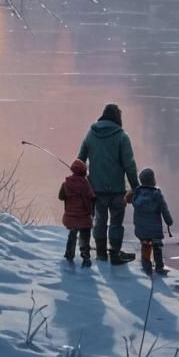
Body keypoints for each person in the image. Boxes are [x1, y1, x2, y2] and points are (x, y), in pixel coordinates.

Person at [78, 103, 140, 264]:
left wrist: (80, 179)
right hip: (117, 189)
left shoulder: (90, 134)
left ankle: (100, 253)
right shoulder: (122, 137)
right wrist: (136, 188)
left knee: (99, 220)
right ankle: (115, 253)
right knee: (116, 223)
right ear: (118, 118)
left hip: (96, 189)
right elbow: (130, 165)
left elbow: (80, 160)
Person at [129, 167, 174, 276]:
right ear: (153, 180)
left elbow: (127, 200)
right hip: (155, 230)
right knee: (157, 247)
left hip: (141, 229)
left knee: (146, 245)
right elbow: (164, 210)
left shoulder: (137, 194)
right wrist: (169, 221)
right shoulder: (157, 195)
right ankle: (159, 267)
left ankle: (146, 266)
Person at [59, 158, 96, 267]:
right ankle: (85, 257)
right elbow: (92, 197)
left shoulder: (66, 184)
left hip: (70, 216)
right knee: (84, 236)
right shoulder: (86, 184)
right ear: (84, 171)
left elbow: (61, 197)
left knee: (72, 234)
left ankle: (69, 254)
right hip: (83, 217)